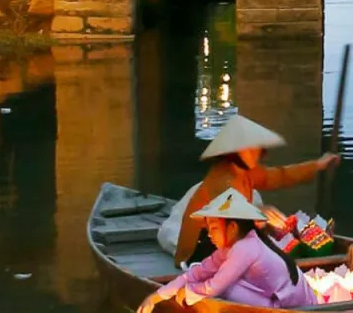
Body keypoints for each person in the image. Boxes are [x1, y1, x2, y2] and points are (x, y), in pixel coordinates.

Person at [166, 115, 339, 267]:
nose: (255, 153)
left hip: (231, 239)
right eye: (249, 149)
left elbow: (280, 175)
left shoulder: (248, 172)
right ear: (235, 151)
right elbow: (229, 206)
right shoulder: (221, 176)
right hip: (203, 246)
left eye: (256, 148)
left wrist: (317, 165)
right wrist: (259, 213)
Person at [139, 189, 316, 312]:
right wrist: (156, 296)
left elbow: (213, 287)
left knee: (227, 288)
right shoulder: (231, 248)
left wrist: (188, 292)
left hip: (295, 306)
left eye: (214, 228)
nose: (209, 235)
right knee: (212, 277)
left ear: (232, 227)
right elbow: (197, 273)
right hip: (275, 299)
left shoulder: (245, 247)